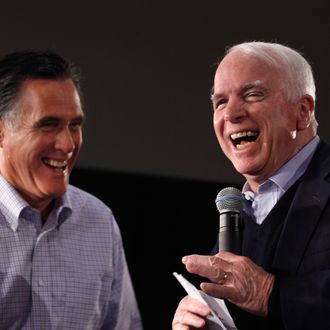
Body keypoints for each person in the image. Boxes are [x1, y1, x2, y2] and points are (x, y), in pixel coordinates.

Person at [172, 41, 330, 329]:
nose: (231, 113)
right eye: (220, 102)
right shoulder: (235, 211)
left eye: (253, 94)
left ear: (304, 111)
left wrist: (270, 293)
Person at [0, 50, 143, 329]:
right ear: (2, 131)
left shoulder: (99, 222)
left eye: (74, 125)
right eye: (48, 125)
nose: (67, 145)